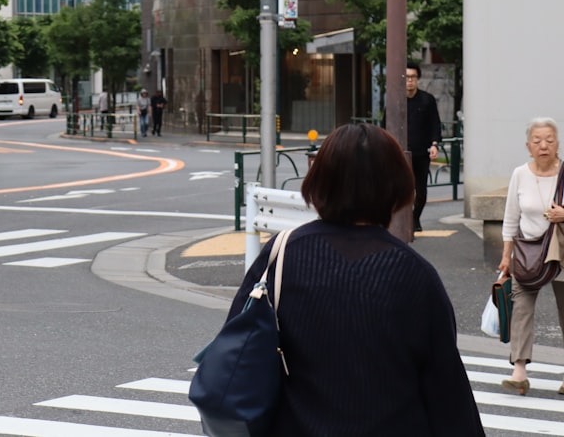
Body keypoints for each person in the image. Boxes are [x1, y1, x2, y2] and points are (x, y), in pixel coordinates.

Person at [204, 123, 483, 436]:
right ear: (397, 187)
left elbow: (235, 346)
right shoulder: (414, 274)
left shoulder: (281, 255)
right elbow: (447, 391)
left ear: (319, 181)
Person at [498, 117, 564, 395]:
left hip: (561, 252)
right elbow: (511, 218)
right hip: (527, 252)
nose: (544, 145)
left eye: (549, 140)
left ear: (557, 143)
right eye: (537, 141)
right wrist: (505, 257)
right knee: (521, 309)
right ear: (528, 146)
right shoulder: (520, 174)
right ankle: (519, 371)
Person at [406, 62, 443, 231]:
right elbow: (386, 124)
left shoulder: (427, 100)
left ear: (418, 79)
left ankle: (415, 218)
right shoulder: (395, 100)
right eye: (406, 77)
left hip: (421, 152)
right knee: (403, 189)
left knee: (421, 191)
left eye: (413, 77)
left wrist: (434, 144)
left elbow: (435, 124)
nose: (410, 81)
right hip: (401, 153)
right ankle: (403, 220)